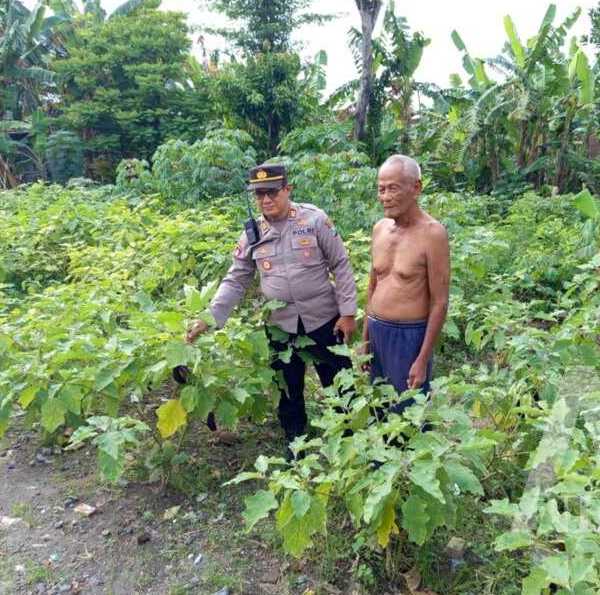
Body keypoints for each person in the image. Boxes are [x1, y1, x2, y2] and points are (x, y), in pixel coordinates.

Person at [186, 163, 357, 460]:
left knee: (338, 380)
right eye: (259, 194)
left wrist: (347, 313)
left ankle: (349, 438)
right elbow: (236, 277)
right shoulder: (253, 234)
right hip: (281, 325)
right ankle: (295, 442)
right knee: (287, 386)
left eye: (272, 192)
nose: (266, 200)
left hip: (324, 319)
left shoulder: (314, 220)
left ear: (287, 190)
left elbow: (340, 264)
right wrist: (210, 319)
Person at [359, 155, 450, 413]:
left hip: (409, 336)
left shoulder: (433, 234)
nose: (385, 196)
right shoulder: (380, 229)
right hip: (378, 332)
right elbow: (373, 285)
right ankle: (380, 455)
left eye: (393, 188)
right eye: (381, 189)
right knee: (379, 407)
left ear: (416, 188)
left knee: (408, 411)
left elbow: (440, 302)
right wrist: (365, 337)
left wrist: (422, 359)